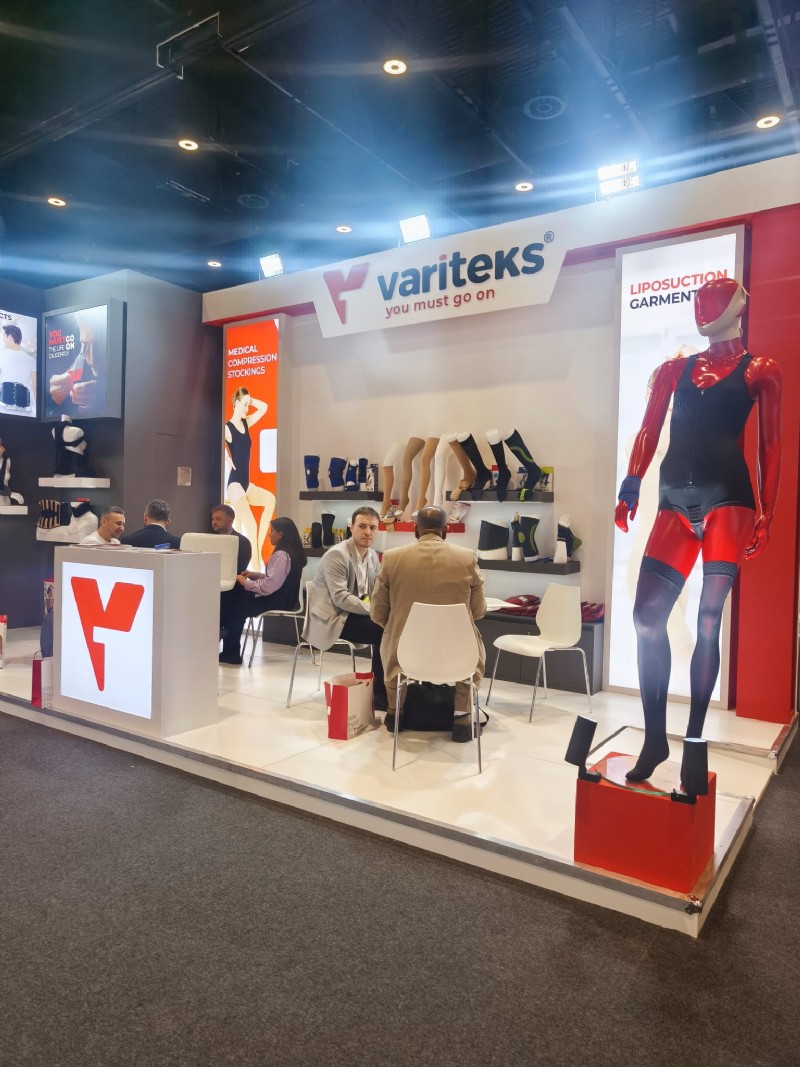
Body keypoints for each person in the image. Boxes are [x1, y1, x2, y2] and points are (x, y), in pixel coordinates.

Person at [615, 277, 782, 782]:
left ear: (738, 307)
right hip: (673, 502)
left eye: (713, 303)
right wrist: (630, 485)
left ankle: (692, 742)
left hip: (729, 502)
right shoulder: (674, 370)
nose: (703, 311)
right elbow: (648, 428)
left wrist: (767, 511)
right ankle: (654, 740)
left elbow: (770, 446)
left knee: (709, 619)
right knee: (647, 618)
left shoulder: (760, 370)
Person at [370, 505, 487, 742]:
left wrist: (399, 627)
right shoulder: (467, 557)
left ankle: (394, 712)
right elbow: (478, 611)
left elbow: (377, 612)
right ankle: (462, 717)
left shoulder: (392, 558)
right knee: (473, 645)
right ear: (446, 531)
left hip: (405, 652)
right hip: (456, 653)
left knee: (391, 637)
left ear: (416, 530)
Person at [308, 506, 388, 709]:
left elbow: (377, 591)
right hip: (333, 617)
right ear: (351, 527)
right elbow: (341, 598)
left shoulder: (372, 556)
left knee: (390, 627)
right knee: (384, 632)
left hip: (355, 613)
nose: (368, 532)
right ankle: (379, 695)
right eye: (362, 526)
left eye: (373, 527)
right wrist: (376, 611)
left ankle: (385, 688)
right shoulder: (337, 555)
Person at [219, 517, 307, 665]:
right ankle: (228, 646)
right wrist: (254, 575)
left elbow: (269, 586)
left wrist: (245, 582)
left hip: (275, 600)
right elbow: (278, 579)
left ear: (281, 534)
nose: (269, 534)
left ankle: (231, 652)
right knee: (234, 601)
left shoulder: (281, 555)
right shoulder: (294, 553)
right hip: (285, 599)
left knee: (233, 605)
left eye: (271, 531)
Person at [224, 387, 276, 569]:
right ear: (236, 403)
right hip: (235, 484)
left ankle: (258, 550)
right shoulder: (227, 428)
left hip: (246, 483)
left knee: (270, 499)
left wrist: (250, 400)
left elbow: (264, 408)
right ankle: (256, 567)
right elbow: (211, 439)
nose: (247, 408)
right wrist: (227, 457)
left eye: (248, 405)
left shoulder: (246, 424)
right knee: (251, 526)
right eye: (244, 404)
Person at [211, 503, 252, 573]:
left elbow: (240, 569)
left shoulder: (243, 542)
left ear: (230, 521)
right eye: (213, 519)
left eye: (218, 519)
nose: (214, 522)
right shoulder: (210, 539)